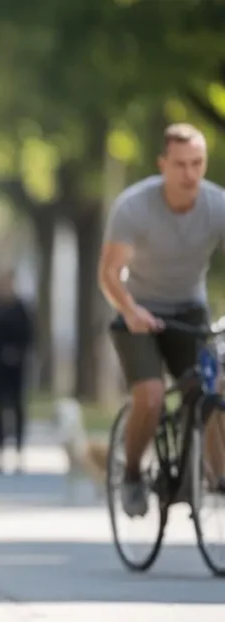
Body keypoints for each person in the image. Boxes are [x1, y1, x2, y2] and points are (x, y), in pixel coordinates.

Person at [99, 122, 225, 518]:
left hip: (189, 310)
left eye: (198, 163)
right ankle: (134, 474)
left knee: (212, 393)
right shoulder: (134, 207)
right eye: (180, 164)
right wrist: (131, 310)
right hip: (138, 310)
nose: (190, 174)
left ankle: (215, 479)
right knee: (151, 396)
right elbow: (108, 273)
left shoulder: (217, 206)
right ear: (162, 165)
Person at [0, 270, 33, 474]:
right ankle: (0, 451)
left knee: (18, 408)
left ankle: (19, 452)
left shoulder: (21, 309)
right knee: (0, 408)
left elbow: (29, 336)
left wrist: (17, 352)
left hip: (17, 366)